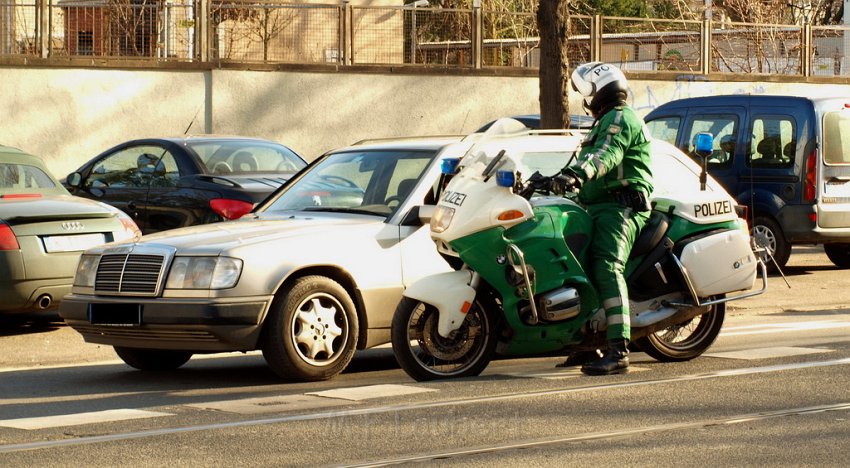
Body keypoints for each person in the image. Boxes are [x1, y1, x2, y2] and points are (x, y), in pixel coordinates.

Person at [551, 62, 654, 375]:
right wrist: (550, 181)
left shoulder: (621, 119)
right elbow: (583, 160)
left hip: (621, 207)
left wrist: (579, 174)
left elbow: (605, 155)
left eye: (586, 94)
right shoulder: (605, 121)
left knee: (607, 266)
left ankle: (619, 349)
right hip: (597, 206)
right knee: (574, 262)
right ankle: (588, 341)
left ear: (595, 93)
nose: (585, 101)